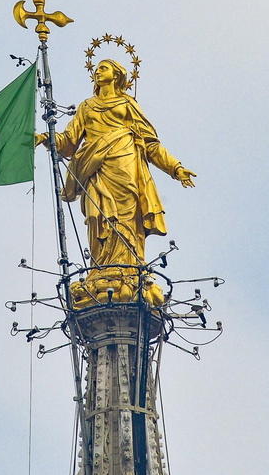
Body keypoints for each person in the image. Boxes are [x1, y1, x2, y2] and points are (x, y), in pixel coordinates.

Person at [37, 59, 195, 305]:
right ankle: (100, 269)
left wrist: (175, 168)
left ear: (117, 75)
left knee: (127, 217)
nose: (98, 72)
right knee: (95, 217)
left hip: (125, 164)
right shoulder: (87, 107)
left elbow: (151, 144)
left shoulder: (127, 104)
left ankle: (129, 269)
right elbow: (68, 141)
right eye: (97, 68)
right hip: (94, 168)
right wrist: (47, 136)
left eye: (104, 68)